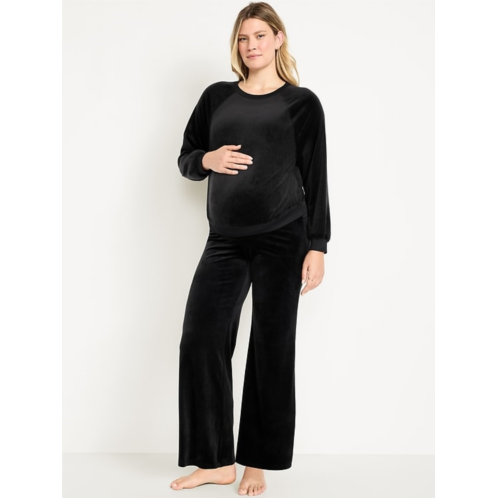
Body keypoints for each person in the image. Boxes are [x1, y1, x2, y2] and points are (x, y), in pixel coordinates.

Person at [170, 2, 331, 496]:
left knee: (270, 347)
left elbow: (315, 178)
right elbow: (186, 158)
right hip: (224, 238)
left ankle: (256, 463)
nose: (251, 45)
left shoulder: (302, 104)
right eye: (243, 38)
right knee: (201, 340)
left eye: (260, 35)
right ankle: (215, 461)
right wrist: (208, 158)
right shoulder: (216, 97)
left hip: (283, 236)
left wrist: (318, 245)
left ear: (278, 38)